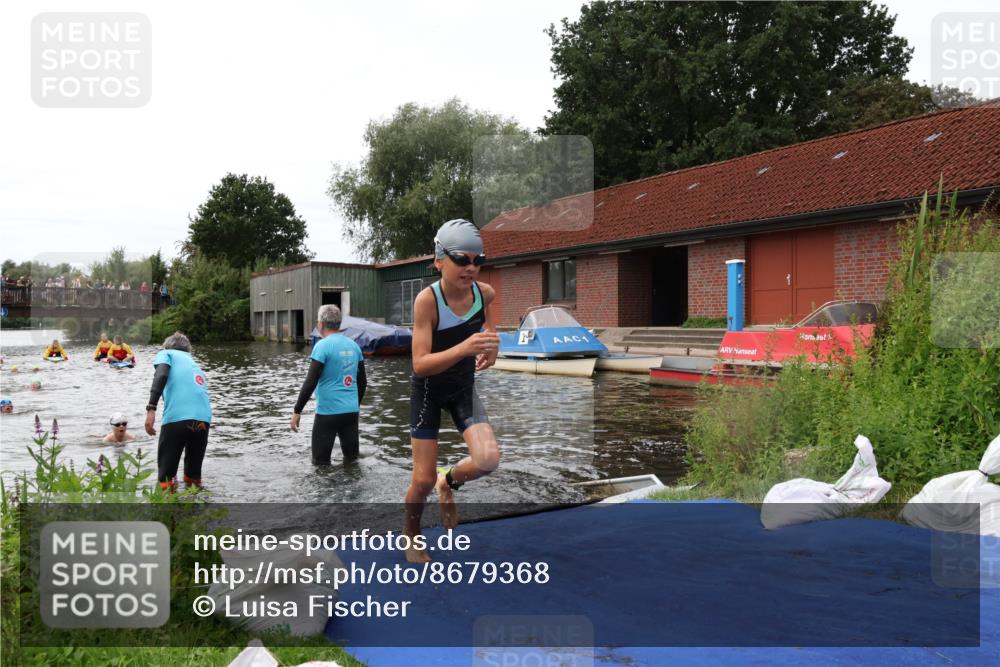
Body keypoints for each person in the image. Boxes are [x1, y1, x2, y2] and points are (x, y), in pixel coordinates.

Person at [404, 219, 500, 563]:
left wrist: (492, 348)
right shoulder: (427, 301)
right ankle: (412, 535)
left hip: (463, 388)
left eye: (478, 260)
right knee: (422, 479)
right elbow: (419, 363)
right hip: (429, 392)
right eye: (462, 259)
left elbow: (489, 330)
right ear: (439, 261)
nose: (471, 267)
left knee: (488, 459)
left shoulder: (484, 294)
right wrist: (464, 347)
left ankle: (450, 480)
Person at [290, 304, 367, 464]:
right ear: (339, 324)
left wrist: (297, 410)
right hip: (351, 413)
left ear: (320, 324)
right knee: (351, 462)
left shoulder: (322, 346)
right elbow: (363, 382)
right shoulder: (354, 346)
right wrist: (355, 404)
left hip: (327, 414)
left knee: (320, 465)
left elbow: (311, 381)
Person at [145, 332, 212, 491]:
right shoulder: (194, 363)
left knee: (166, 479)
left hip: (177, 419)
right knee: (193, 478)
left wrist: (151, 408)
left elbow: (161, 374)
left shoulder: (166, 353)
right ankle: (196, 509)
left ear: (167, 346)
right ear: (188, 349)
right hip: (203, 419)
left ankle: (168, 512)